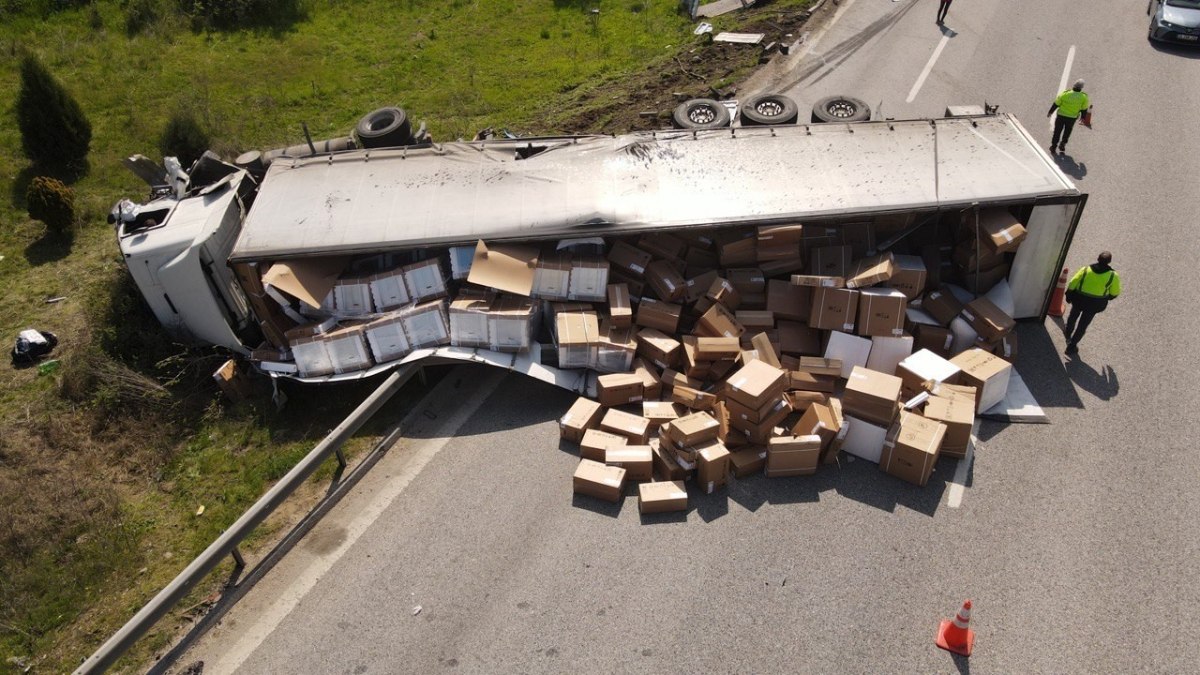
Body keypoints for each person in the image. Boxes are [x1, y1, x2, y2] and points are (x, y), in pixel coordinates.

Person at [1064, 251, 1121, 355]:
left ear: (1097, 259)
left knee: (1073, 316)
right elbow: (1114, 292)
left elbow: (1073, 282)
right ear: (1109, 262)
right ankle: (1071, 346)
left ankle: (1068, 332)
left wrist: (1069, 294)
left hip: (1079, 299)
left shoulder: (1085, 270)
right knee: (1083, 325)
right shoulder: (1113, 276)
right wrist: (1108, 297)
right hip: (1095, 304)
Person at [1047, 79, 1090, 155]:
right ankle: (1063, 143)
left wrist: (1050, 112)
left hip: (1061, 116)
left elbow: (1056, 103)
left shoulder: (1065, 94)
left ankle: (1053, 147)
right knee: (1067, 131)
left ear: (1074, 85)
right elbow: (1084, 109)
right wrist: (1083, 118)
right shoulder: (1084, 97)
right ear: (1081, 88)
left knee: (1057, 131)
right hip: (1072, 118)